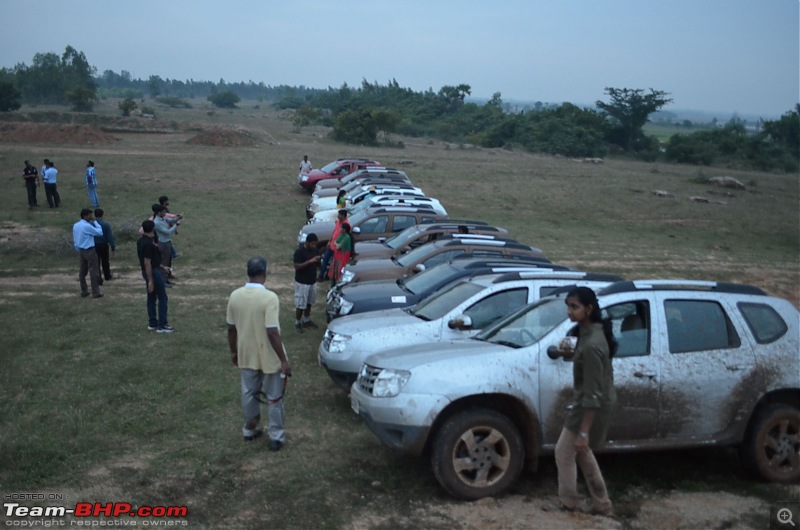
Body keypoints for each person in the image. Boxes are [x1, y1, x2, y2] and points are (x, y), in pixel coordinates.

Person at [553, 286, 616, 516]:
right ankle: (602, 504)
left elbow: (593, 394)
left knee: (565, 451)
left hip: (589, 407)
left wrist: (583, 432)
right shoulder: (589, 333)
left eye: (575, 307)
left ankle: (569, 502)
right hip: (588, 402)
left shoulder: (591, 345)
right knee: (580, 452)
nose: (569, 312)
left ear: (588, 309)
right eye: (568, 306)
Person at [226, 256, 292, 451]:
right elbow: (272, 331)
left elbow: (231, 329)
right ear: (265, 273)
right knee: (274, 396)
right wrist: (284, 360)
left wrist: (233, 351)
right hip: (270, 355)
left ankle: (250, 428)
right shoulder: (269, 298)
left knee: (249, 393)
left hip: (246, 352)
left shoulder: (235, 296)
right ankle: (276, 436)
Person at [137, 219, 173, 333]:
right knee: (162, 297)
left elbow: (152, 260)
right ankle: (162, 325)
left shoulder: (141, 241)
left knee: (151, 297)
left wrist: (162, 267)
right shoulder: (149, 244)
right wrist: (151, 280)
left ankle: (152, 323)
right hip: (152, 272)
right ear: (152, 229)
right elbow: (147, 262)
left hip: (150, 271)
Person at [72, 208, 103, 298]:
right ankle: (96, 292)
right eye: (89, 215)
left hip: (81, 249)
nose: (91, 217)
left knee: (82, 271)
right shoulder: (87, 226)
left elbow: (75, 237)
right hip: (89, 249)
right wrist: (95, 222)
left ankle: (84, 290)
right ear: (85, 216)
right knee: (93, 270)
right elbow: (99, 232)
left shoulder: (76, 225)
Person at [293, 233, 321, 332]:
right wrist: (310, 261)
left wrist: (318, 260)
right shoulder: (299, 252)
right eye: (312, 244)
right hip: (302, 282)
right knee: (301, 304)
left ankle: (306, 320)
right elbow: (297, 266)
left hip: (312, 281)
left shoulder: (315, 250)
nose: (314, 246)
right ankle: (297, 322)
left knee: (309, 302)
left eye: (315, 244)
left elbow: (318, 264)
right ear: (307, 242)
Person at [318, 209, 350, 281]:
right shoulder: (338, 222)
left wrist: (337, 244)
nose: (338, 216)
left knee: (333, 264)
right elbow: (334, 231)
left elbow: (345, 237)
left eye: (339, 215)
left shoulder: (346, 225)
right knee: (325, 260)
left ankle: (327, 276)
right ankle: (321, 275)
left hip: (337, 249)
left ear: (343, 216)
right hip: (331, 246)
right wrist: (330, 241)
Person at [153, 204, 179, 281]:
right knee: (165, 261)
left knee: (169, 260)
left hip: (167, 241)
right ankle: (163, 279)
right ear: (158, 213)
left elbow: (171, 220)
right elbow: (167, 232)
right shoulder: (157, 222)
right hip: (163, 243)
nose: (165, 213)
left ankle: (168, 276)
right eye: (163, 212)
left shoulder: (163, 218)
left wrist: (177, 218)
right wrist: (176, 225)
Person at [93, 208, 116, 282]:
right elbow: (110, 237)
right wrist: (113, 247)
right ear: (102, 215)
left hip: (94, 245)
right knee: (105, 261)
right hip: (103, 245)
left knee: (96, 262)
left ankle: (98, 277)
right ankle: (107, 275)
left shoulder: (91, 225)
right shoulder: (106, 224)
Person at [329, 222, 352, 287]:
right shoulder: (341, 235)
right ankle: (332, 286)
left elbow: (338, 246)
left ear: (344, 230)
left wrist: (336, 244)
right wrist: (336, 244)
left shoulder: (347, 237)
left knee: (339, 272)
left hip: (343, 257)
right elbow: (335, 243)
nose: (340, 228)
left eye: (341, 227)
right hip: (337, 255)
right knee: (334, 271)